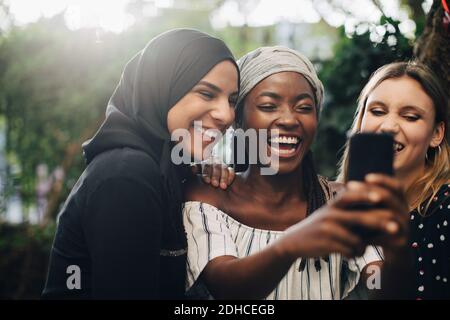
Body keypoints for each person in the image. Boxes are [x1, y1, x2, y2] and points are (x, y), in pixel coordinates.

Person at [183, 46, 408, 300]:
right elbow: (227, 288)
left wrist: (394, 252)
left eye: (303, 107)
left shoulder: (341, 202)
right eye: (268, 106)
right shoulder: (210, 197)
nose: (289, 120)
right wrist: (292, 245)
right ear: (238, 119)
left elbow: (376, 286)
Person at [42, 29, 239, 299]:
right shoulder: (127, 174)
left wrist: (197, 174)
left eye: (232, 100)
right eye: (206, 93)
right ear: (162, 87)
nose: (225, 114)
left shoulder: (164, 169)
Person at [337, 61, 450, 299]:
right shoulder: (339, 205)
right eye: (377, 112)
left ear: (436, 134)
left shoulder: (444, 210)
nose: (389, 126)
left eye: (410, 116)